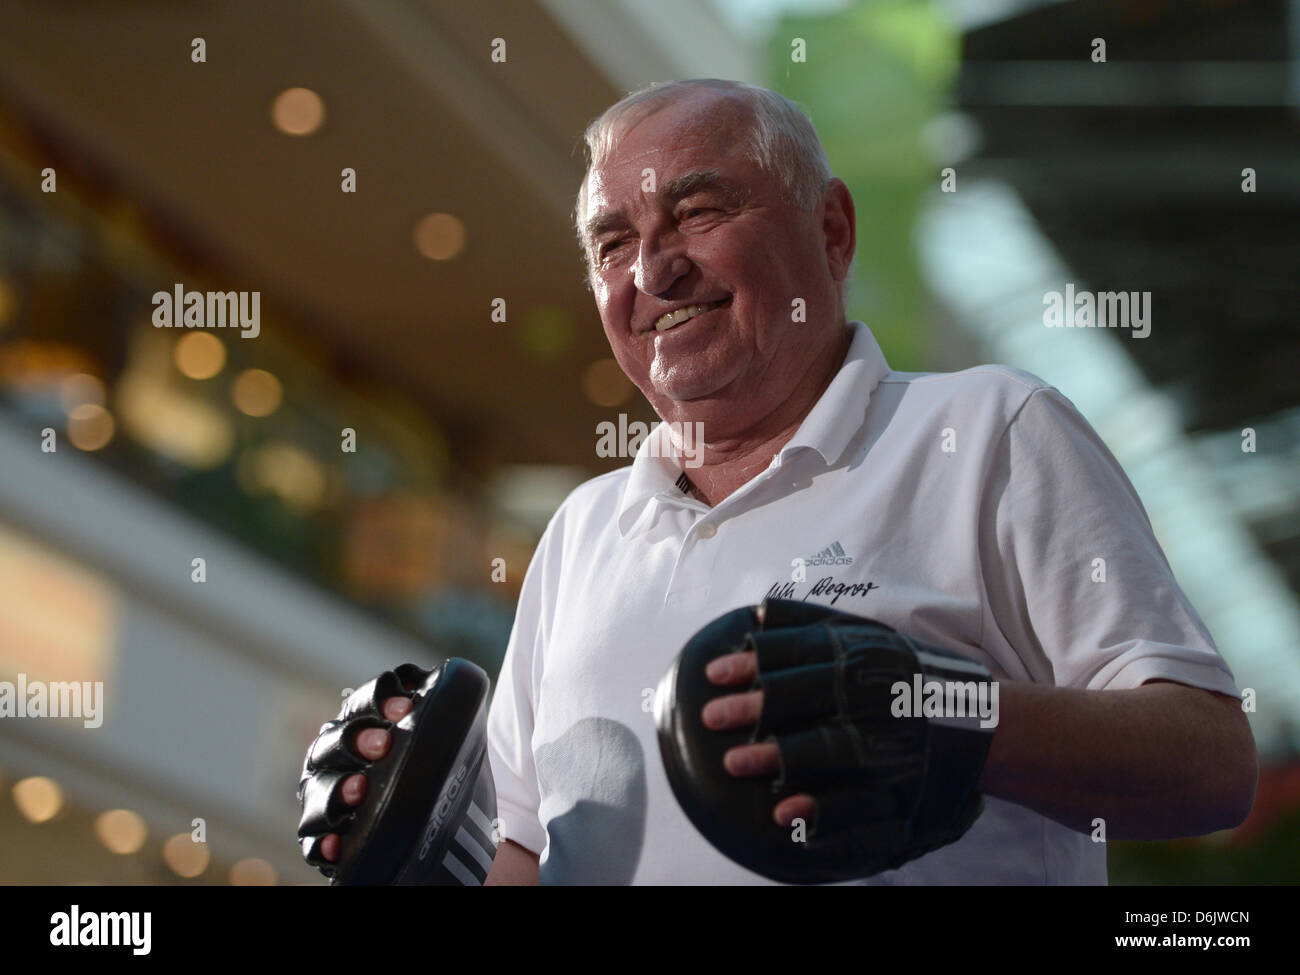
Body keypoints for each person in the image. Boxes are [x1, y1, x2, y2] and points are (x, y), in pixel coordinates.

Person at [312, 78, 1257, 884]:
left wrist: (944, 712)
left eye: (699, 210)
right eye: (612, 242)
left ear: (833, 232)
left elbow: (1211, 763)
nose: (654, 268)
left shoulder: (989, 428)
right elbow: (527, 846)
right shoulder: (581, 529)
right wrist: (422, 846)